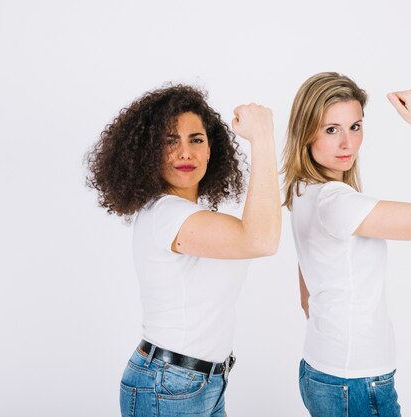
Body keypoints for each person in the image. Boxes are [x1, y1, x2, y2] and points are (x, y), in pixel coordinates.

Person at [282, 72, 411, 417]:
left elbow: (307, 295)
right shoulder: (337, 203)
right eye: (331, 129)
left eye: (355, 127)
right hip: (353, 380)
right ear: (305, 131)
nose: (347, 143)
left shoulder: (302, 190)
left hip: (320, 369)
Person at [86, 84, 281, 417]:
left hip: (197, 382)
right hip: (169, 386)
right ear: (148, 153)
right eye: (169, 141)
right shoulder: (167, 214)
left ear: (210, 150)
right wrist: (262, 139)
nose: (186, 153)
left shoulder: (190, 215)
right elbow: (260, 240)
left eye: (196, 139)